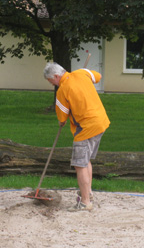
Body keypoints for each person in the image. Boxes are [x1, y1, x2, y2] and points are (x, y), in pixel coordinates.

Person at [44, 62, 110, 211]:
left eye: (50, 81)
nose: (51, 84)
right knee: (85, 161)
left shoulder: (62, 91)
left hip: (86, 127)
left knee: (79, 164)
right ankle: (89, 193)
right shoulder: (82, 73)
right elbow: (97, 77)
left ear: (56, 76)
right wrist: (84, 75)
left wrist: (62, 122)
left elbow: (62, 117)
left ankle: (85, 202)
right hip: (101, 122)